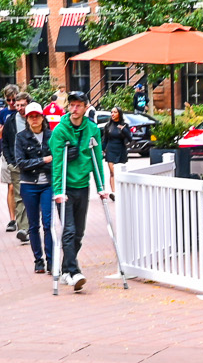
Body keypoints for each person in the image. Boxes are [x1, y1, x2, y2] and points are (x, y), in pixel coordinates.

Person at [49, 89, 106, 287]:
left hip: (83, 186)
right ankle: (74, 272)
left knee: (79, 233)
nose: (74, 109)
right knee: (69, 230)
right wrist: (57, 191)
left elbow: (97, 158)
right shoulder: (59, 131)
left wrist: (101, 187)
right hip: (64, 188)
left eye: (78, 105)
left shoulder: (93, 129)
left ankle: (66, 268)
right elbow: (57, 163)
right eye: (71, 105)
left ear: (85, 107)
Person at [12, 102, 54, 274]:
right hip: (29, 185)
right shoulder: (21, 137)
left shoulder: (52, 135)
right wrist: (44, 161)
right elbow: (21, 163)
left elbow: (57, 159)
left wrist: (40, 164)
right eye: (31, 116)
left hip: (47, 185)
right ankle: (38, 260)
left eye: (37, 115)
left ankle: (51, 260)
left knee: (47, 222)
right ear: (27, 119)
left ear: (42, 117)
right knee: (33, 225)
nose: (34, 119)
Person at [0, 86, 26, 242]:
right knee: (12, 189)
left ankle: (26, 222)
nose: (12, 103)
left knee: (26, 191)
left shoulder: (29, 114)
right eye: (9, 100)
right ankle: (14, 220)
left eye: (15, 100)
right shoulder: (4, 115)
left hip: (28, 159)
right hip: (11, 157)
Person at [100, 105, 132, 196]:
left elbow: (130, 138)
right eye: (112, 112)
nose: (112, 114)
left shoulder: (124, 125)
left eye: (115, 112)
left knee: (120, 172)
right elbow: (105, 140)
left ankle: (121, 191)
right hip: (110, 150)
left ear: (119, 114)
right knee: (112, 172)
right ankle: (114, 193)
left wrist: (124, 130)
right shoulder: (108, 126)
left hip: (121, 150)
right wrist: (102, 150)